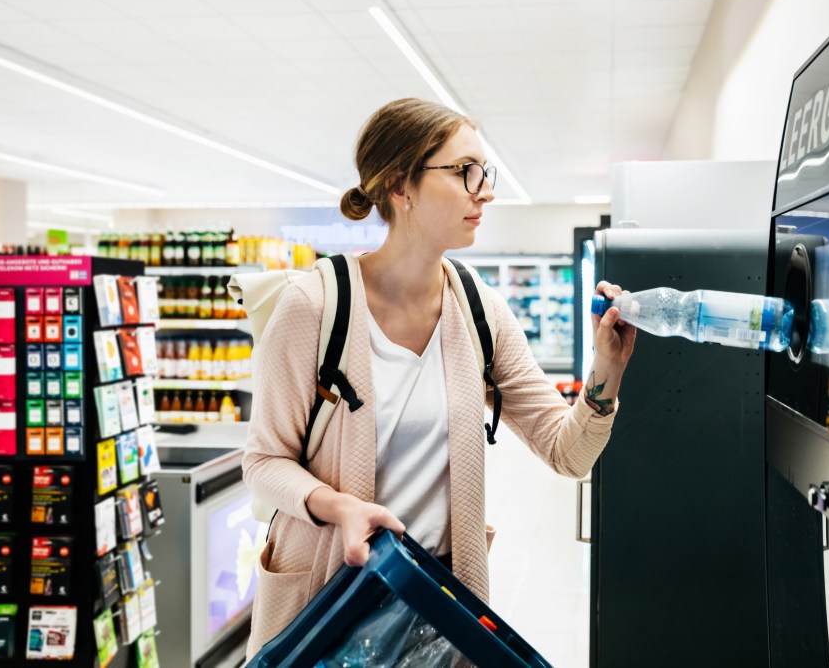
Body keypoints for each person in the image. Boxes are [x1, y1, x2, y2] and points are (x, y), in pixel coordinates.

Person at [242, 97, 636, 659]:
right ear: (401, 187)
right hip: (328, 600)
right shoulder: (315, 306)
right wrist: (340, 507)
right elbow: (262, 463)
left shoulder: (480, 310)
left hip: (436, 608)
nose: (486, 190)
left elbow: (566, 453)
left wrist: (607, 370)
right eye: (465, 171)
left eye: (485, 172)